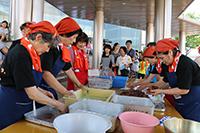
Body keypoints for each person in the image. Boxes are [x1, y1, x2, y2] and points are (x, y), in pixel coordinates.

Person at [0, 21, 67, 129]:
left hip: (21, 104)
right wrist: (58, 104)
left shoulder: (30, 53)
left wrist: (42, 91)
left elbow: (26, 82)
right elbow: (32, 93)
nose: (47, 50)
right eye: (48, 45)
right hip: (10, 105)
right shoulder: (21, 54)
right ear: (38, 37)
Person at [150, 38, 200, 122]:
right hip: (180, 100)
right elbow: (164, 82)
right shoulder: (167, 64)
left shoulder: (185, 63)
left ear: (170, 52)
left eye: (162, 58)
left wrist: (161, 91)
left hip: (194, 101)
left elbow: (184, 90)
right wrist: (151, 87)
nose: (161, 61)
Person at [40, 17, 86, 98]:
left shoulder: (62, 49)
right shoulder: (49, 47)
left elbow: (67, 69)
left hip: (49, 86)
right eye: (74, 37)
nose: (74, 41)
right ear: (64, 34)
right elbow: (45, 73)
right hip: (39, 87)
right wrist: (65, 92)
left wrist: (79, 84)